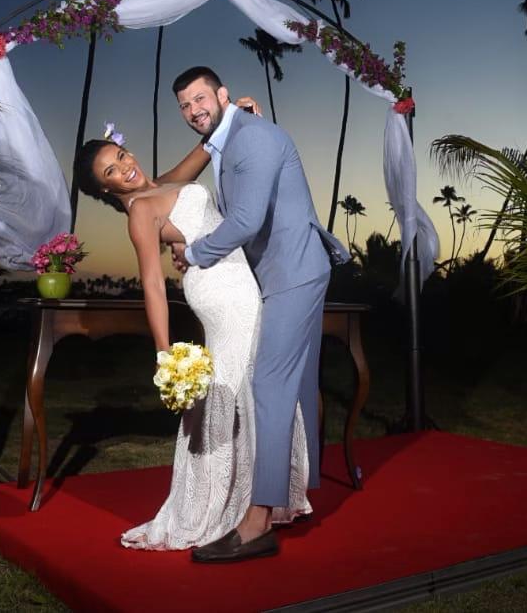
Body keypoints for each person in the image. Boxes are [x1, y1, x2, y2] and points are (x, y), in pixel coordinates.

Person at [74, 93, 310, 551]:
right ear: (105, 189)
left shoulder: (159, 184)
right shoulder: (140, 212)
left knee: (252, 385)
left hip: (240, 282)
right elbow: (152, 285)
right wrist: (164, 354)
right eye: (111, 172)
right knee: (239, 385)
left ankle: (259, 500)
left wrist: (235, 115)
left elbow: (207, 147)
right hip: (222, 293)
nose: (125, 168)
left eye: (121, 156)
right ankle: (230, 504)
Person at [171, 66, 349, 564]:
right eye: (185, 105)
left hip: (294, 272)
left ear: (223, 94)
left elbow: (246, 221)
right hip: (282, 275)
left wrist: (195, 252)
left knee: (268, 385)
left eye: (200, 98)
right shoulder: (231, 143)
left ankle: (258, 521)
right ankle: (291, 498)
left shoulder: (256, 138)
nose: (193, 110)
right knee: (293, 385)